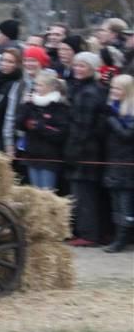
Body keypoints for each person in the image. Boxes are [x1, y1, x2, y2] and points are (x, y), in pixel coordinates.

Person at [65, 52, 108, 246]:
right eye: (76, 65)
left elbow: (83, 127)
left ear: (91, 69)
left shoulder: (89, 92)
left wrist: (72, 153)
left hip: (84, 151)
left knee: (84, 195)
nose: (77, 69)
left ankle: (89, 234)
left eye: (82, 66)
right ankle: (87, 231)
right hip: (87, 148)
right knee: (82, 193)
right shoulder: (86, 88)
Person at [15, 72, 68, 190]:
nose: (36, 88)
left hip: (49, 158)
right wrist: (25, 105)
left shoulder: (59, 107)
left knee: (46, 194)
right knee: (35, 194)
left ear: (50, 87)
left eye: (40, 85)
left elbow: (60, 133)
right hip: (32, 155)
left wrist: (40, 127)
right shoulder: (31, 104)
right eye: (36, 85)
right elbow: (18, 124)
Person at [102, 74, 134, 252]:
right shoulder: (113, 108)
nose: (113, 91)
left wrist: (112, 120)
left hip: (127, 164)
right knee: (116, 203)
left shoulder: (129, 112)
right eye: (112, 88)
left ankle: (122, 239)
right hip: (113, 161)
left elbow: (127, 135)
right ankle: (117, 236)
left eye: (118, 89)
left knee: (125, 204)